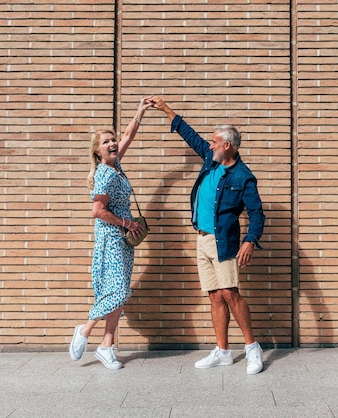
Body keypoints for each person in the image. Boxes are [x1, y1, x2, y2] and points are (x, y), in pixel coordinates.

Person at [149, 96, 266, 374]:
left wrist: (249, 240)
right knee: (214, 295)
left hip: (223, 241)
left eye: (214, 141)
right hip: (201, 239)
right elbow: (189, 134)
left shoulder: (243, 176)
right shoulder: (210, 160)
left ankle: (252, 348)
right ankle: (223, 351)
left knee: (230, 293)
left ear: (227, 145)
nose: (209, 144)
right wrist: (166, 109)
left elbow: (257, 213)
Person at [69, 98, 152, 369]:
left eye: (112, 139)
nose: (113, 143)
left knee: (118, 290)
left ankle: (106, 347)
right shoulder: (104, 174)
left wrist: (140, 110)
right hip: (111, 237)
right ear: (98, 152)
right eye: (106, 142)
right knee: (116, 290)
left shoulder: (117, 165)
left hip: (124, 241)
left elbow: (129, 135)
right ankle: (85, 330)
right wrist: (126, 223)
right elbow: (97, 211)